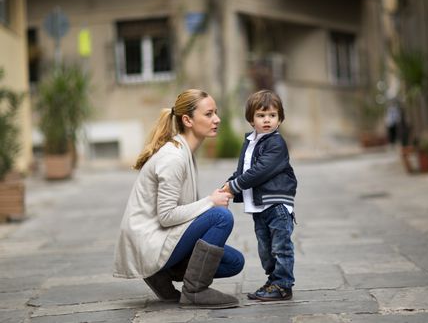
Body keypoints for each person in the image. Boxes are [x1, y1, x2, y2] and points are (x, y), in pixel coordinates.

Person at [113, 89, 244, 309]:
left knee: (234, 262)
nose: (217, 119)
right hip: (149, 242)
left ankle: (161, 274)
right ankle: (195, 291)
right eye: (209, 114)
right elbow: (166, 216)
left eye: (216, 113)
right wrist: (211, 201)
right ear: (187, 120)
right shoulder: (173, 157)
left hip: (162, 238)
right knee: (221, 217)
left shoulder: (184, 152)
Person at [223, 89, 297, 301]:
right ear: (251, 119)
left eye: (272, 115)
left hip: (277, 205)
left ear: (280, 119)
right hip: (259, 208)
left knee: (280, 247)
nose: (267, 120)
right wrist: (227, 186)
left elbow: (260, 171)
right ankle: (274, 280)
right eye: (261, 115)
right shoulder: (250, 142)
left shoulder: (276, 143)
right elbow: (243, 172)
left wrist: (234, 186)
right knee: (265, 250)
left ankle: (283, 285)